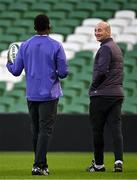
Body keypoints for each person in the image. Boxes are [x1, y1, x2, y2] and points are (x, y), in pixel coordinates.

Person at [6, 14, 69, 176]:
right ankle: (38, 165)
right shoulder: (56, 46)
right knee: (45, 130)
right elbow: (63, 73)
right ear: (49, 27)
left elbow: (15, 71)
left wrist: (8, 62)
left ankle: (42, 165)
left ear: (34, 27)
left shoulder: (25, 46)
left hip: (32, 95)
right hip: (49, 95)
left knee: (36, 131)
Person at [87, 21, 124, 173]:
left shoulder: (105, 49)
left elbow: (102, 70)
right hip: (116, 94)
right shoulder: (116, 48)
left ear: (108, 31)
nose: (96, 32)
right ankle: (118, 161)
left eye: (100, 30)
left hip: (102, 95)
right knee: (116, 129)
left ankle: (99, 165)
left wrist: (93, 87)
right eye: (95, 30)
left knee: (98, 131)